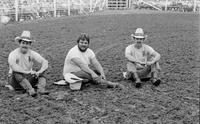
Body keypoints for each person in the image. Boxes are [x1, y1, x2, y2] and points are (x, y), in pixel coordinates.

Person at [8, 30, 49, 97]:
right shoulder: (13, 54)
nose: (25, 45)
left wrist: (40, 71)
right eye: (23, 43)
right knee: (16, 72)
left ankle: (41, 90)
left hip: (27, 78)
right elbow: (13, 66)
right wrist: (27, 72)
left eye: (27, 43)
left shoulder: (32, 53)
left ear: (30, 45)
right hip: (15, 80)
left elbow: (44, 62)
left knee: (41, 70)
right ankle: (30, 90)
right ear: (19, 43)